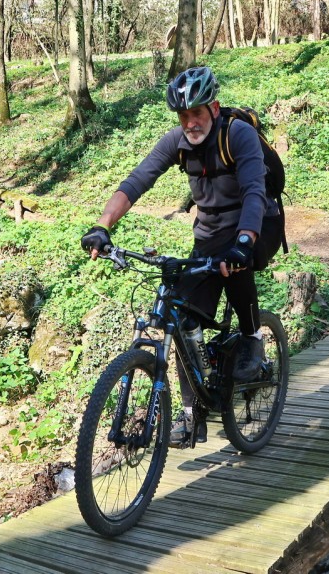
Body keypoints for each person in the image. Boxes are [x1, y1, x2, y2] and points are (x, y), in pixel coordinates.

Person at [80, 66, 284, 446]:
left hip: (256, 222)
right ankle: (193, 415)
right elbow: (138, 180)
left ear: (215, 108)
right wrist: (103, 225)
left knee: (233, 267)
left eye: (197, 114)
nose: (191, 123)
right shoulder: (177, 141)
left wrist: (244, 240)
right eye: (184, 116)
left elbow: (255, 191)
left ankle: (253, 335)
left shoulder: (236, 134)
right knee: (182, 314)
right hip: (209, 232)